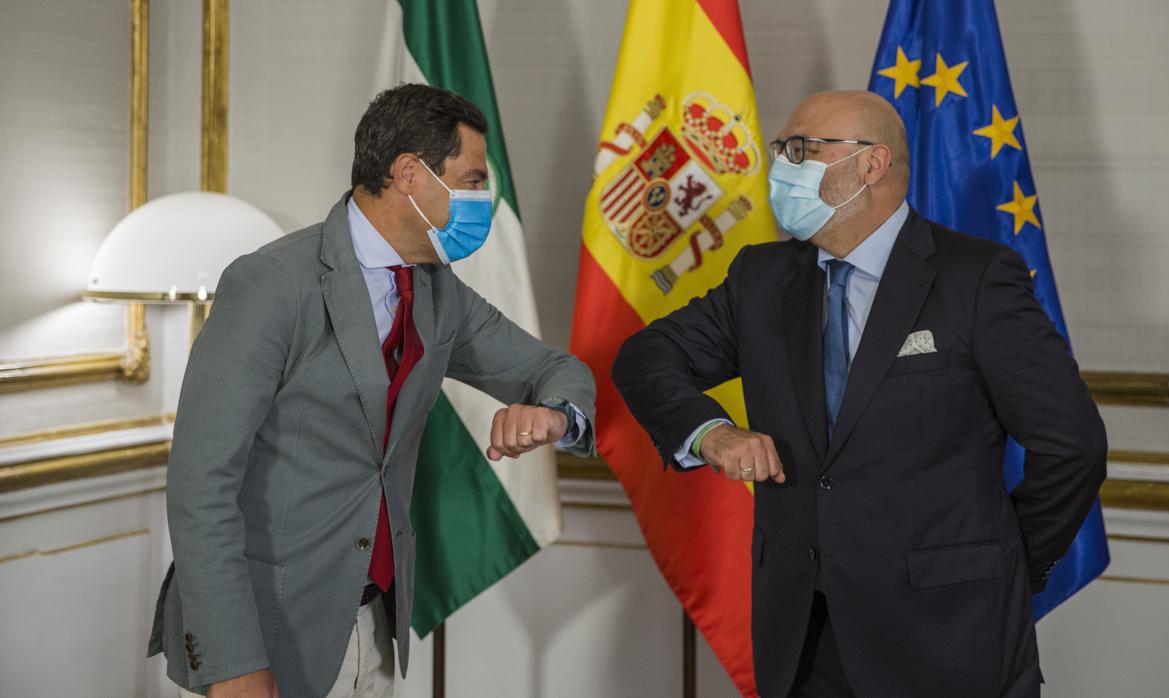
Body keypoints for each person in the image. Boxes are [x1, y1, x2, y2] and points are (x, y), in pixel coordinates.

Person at [611, 91, 1106, 697]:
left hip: (949, 635)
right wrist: (711, 431)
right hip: (805, 637)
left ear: (871, 164)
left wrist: (1002, 565)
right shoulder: (762, 278)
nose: (782, 167)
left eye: (801, 149)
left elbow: (1072, 445)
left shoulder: (975, 278)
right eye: (781, 150)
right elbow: (646, 357)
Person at [147, 83, 596, 698]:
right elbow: (201, 486)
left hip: (375, 626)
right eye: (471, 181)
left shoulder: (439, 292)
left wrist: (554, 416)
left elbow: (553, 366)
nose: (482, 200)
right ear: (410, 174)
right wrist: (233, 664)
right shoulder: (272, 282)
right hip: (263, 635)